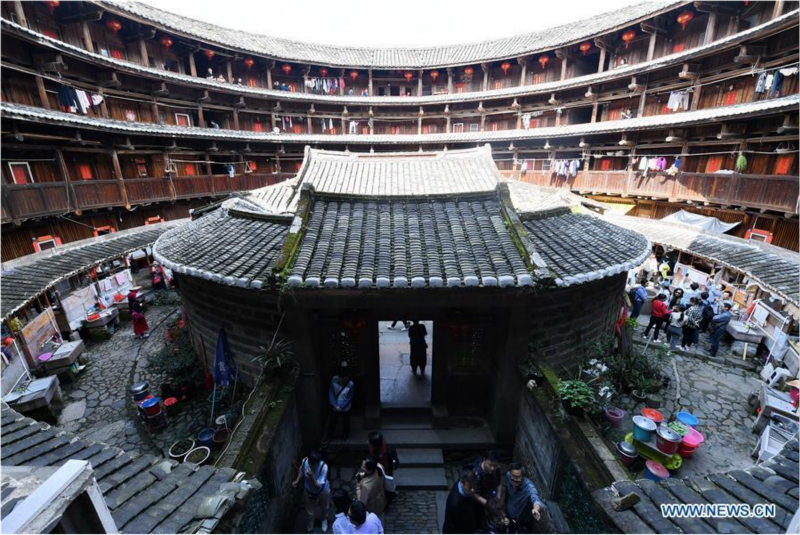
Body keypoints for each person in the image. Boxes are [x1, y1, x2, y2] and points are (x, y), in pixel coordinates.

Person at [292, 449, 331, 533]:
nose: (310, 465)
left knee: (325, 507)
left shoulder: (324, 467)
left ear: (317, 462)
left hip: (322, 491)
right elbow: (301, 470)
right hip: (308, 491)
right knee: (310, 512)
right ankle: (310, 525)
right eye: (309, 462)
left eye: (312, 464)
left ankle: (324, 520)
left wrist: (312, 476)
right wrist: (297, 480)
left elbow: (317, 486)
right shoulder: (305, 461)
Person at [504, 463, 545, 533]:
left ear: (523, 476)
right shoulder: (508, 476)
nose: (514, 479)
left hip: (523, 522)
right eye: (513, 476)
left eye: (517, 477)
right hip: (509, 516)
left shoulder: (529, 487)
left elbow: (536, 499)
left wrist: (536, 509)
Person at [443, 470, 481, 534]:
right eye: (470, 487)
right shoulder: (455, 503)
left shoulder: (463, 485)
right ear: (462, 484)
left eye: (474, 486)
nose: (473, 490)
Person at [356, 456, 386, 521]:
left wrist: (358, 484)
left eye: (363, 467)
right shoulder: (379, 466)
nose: (361, 467)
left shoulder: (366, 486)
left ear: (369, 470)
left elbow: (361, 502)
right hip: (380, 501)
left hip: (371, 509)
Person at [328, 366, 354, 439]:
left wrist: (341, 407)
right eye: (342, 378)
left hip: (345, 407)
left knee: (346, 422)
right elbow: (331, 393)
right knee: (332, 421)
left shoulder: (351, 384)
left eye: (345, 379)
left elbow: (349, 398)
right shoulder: (334, 380)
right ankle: (329, 435)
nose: (343, 380)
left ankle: (346, 435)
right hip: (335, 406)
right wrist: (335, 405)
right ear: (339, 377)